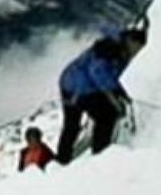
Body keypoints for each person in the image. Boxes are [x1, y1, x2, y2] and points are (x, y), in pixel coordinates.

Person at [56, 25, 147, 164]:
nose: (137, 52)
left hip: (70, 83)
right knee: (106, 116)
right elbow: (97, 72)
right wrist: (116, 91)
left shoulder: (114, 44)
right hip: (80, 88)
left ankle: (62, 160)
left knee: (71, 125)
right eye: (138, 47)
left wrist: (116, 91)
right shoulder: (111, 49)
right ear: (132, 41)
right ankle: (100, 155)